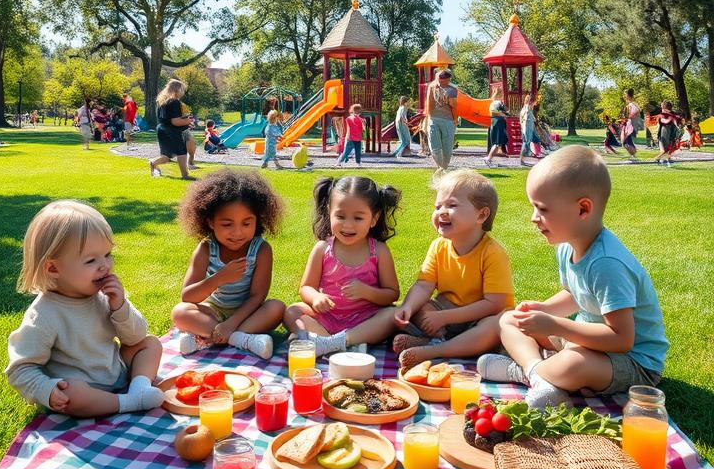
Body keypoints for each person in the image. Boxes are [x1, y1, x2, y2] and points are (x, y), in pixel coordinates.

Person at [478, 146, 667, 409]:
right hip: (587, 342)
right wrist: (544, 310)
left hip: (632, 362)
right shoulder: (568, 245)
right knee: (509, 319)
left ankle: (524, 371)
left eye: (542, 209)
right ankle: (539, 374)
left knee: (574, 363)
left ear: (582, 210)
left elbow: (622, 339)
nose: (534, 218)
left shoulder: (607, 263)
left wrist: (555, 326)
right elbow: (575, 294)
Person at [5, 200, 164, 416]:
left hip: (116, 371)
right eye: (91, 260)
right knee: (73, 393)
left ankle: (139, 388)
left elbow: (135, 337)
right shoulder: (44, 314)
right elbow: (20, 369)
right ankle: (130, 402)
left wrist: (120, 307)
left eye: (108, 255)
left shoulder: (105, 295)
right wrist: (48, 391)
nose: (104, 265)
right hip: (86, 391)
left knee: (150, 344)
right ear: (53, 268)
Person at [392, 169, 514, 372]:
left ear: (481, 215)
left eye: (452, 205)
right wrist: (408, 306)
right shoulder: (438, 246)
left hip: (478, 319)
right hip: (444, 316)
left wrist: (446, 318)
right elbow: (424, 285)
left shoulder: (492, 253)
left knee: (497, 324)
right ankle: (429, 340)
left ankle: (434, 349)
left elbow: (495, 304)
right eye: (437, 206)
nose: (441, 212)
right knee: (418, 309)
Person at [172, 168, 286, 359]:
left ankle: (207, 338)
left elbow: (258, 297)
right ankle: (241, 340)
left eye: (246, 224)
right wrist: (219, 278)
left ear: (257, 221)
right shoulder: (206, 248)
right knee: (180, 313)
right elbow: (188, 296)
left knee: (276, 307)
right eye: (227, 224)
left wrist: (231, 324)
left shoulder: (261, 250)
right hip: (213, 312)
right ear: (210, 222)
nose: (237, 233)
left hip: (248, 314)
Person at [284, 175, 402, 356]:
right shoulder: (323, 249)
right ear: (329, 212)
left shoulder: (379, 251)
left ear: (374, 218)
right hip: (327, 318)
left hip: (364, 321)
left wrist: (367, 292)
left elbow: (392, 294)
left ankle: (331, 343)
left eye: (358, 218)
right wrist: (315, 298)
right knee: (292, 311)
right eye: (340, 216)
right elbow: (306, 287)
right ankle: (333, 343)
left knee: (393, 315)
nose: (348, 225)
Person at [150, 79, 192, 179]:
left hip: (161, 129)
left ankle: (153, 163)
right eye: (182, 89)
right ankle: (185, 175)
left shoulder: (161, 100)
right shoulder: (175, 102)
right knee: (181, 151)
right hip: (172, 130)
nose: (183, 92)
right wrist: (188, 121)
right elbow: (175, 121)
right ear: (177, 89)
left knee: (167, 156)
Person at [424, 68, 458, 171]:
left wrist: (428, 118)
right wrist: (455, 119)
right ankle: (442, 168)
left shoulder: (448, 89)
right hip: (443, 120)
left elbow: (428, 104)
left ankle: (441, 168)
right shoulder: (449, 89)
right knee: (442, 146)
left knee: (439, 146)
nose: (441, 81)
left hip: (439, 119)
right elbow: (453, 107)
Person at [483, 87, 508, 168]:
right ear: (500, 94)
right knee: (497, 143)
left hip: (496, 122)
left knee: (498, 143)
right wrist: (502, 114)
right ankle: (488, 158)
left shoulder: (495, 102)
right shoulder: (497, 103)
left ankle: (490, 158)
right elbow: (493, 112)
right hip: (498, 122)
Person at [654, 101, 680, 167]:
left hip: (666, 132)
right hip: (668, 133)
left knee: (664, 149)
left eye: (662, 107)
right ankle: (666, 159)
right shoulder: (672, 114)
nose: (661, 109)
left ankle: (658, 158)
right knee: (666, 148)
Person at [518, 92, 541, 162]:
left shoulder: (529, 109)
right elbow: (524, 119)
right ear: (531, 102)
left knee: (537, 140)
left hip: (531, 128)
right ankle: (522, 159)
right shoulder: (526, 109)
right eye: (534, 102)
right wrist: (524, 130)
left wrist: (534, 120)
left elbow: (531, 118)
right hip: (527, 128)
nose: (535, 104)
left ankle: (536, 154)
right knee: (526, 143)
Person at [621, 87, 641, 161]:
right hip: (628, 125)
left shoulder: (632, 104)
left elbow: (636, 111)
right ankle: (633, 156)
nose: (624, 96)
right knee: (626, 142)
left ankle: (634, 156)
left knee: (625, 142)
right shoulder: (630, 104)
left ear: (628, 95)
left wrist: (628, 117)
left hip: (631, 125)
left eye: (624, 94)